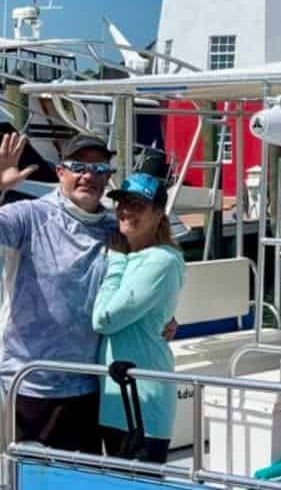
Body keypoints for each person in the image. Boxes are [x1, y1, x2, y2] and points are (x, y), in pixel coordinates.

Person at [0, 132, 175, 453]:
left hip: (85, 387)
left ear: (108, 178)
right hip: (19, 384)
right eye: (78, 167)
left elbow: (144, 282)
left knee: (76, 477)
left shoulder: (117, 228)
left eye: (99, 169)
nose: (88, 176)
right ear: (60, 172)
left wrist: (165, 317)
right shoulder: (29, 215)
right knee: (9, 475)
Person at [92, 155, 186, 463]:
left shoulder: (160, 260)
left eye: (137, 205)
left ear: (158, 214)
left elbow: (104, 319)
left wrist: (116, 260)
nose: (126, 210)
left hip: (141, 402)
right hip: (117, 401)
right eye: (122, 203)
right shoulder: (136, 255)